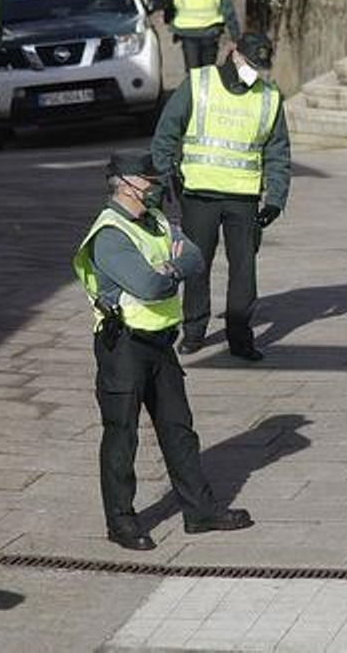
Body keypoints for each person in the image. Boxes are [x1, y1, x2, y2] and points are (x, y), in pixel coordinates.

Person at [73, 150, 255, 550]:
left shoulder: (153, 221)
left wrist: (169, 268)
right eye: (151, 183)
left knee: (179, 430)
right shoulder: (109, 235)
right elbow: (147, 286)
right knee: (122, 436)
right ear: (126, 185)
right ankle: (121, 521)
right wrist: (169, 272)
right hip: (123, 347)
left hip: (159, 344)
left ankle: (200, 511)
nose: (157, 189)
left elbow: (194, 256)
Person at [150, 32, 290, 360]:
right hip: (199, 194)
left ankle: (240, 338)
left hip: (244, 198)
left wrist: (275, 201)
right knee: (197, 265)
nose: (255, 72)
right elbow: (166, 134)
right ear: (234, 54)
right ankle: (194, 332)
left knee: (244, 269)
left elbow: (279, 152)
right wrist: (158, 184)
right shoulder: (199, 83)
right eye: (250, 64)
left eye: (261, 67)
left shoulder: (269, 97)